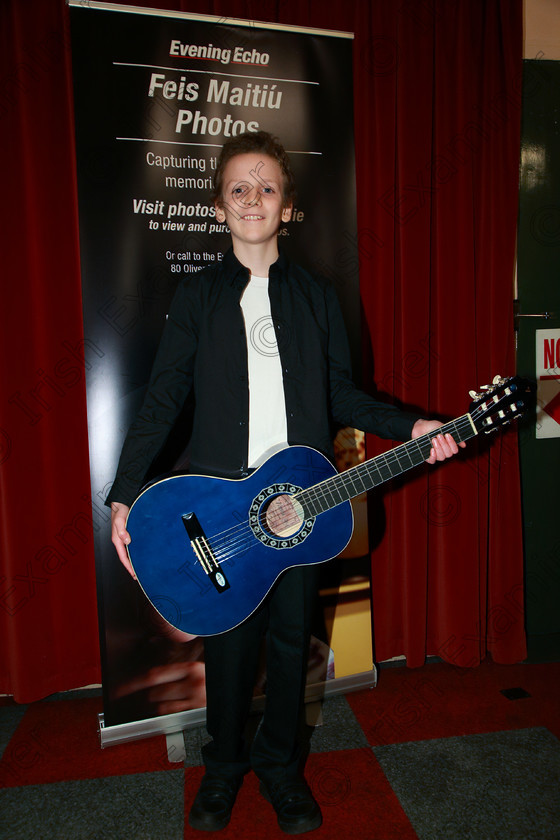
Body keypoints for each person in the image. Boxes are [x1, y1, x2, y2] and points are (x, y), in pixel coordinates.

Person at [108, 130, 463, 834]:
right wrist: (124, 492)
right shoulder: (201, 296)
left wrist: (414, 426)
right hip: (218, 508)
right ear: (217, 207)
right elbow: (162, 400)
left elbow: (343, 395)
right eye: (238, 187)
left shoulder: (316, 297)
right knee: (231, 651)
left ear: (289, 207)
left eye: (267, 186)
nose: (253, 198)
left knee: (289, 641)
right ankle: (224, 769)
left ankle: (279, 769)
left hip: (300, 508)